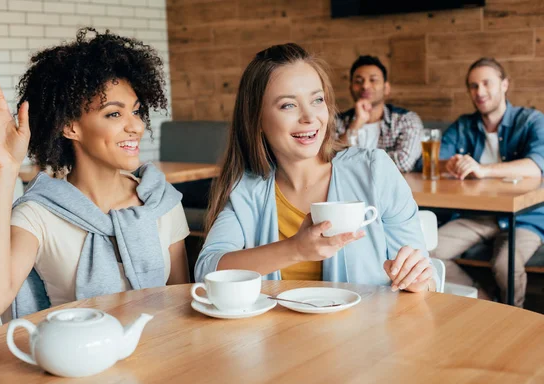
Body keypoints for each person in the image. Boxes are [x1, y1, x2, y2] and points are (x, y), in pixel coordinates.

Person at [0, 28, 190, 319]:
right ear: (69, 127)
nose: (136, 126)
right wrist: (4, 169)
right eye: (114, 114)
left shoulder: (160, 202)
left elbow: (181, 302)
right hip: (77, 361)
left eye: (136, 112)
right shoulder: (39, 215)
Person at [195, 43, 436, 293]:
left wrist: (418, 279)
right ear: (256, 120)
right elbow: (206, 271)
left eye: (317, 100)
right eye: (288, 105)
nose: (309, 117)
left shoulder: (374, 171)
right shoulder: (246, 189)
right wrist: (295, 249)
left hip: (368, 328)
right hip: (276, 332)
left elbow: (423, 283)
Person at [431, 57, 544, 307]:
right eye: (473, 86)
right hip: (477, 215)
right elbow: (432, 162)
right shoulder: (464, 125)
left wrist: (483, 170)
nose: (479, 92)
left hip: (526, 216)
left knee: (505, 264)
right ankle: (483, 303)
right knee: (428, 253)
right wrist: (448, 164)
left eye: (486, 83)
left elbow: (536, 167)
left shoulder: (531, 121)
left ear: (504, 85)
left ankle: (514, 323)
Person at [336, 55, 423, 173]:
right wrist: (356, 123)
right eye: (358, 81)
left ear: (386, 88)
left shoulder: (406, 120)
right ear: (351, 88)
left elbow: (403, 163)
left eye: (373, 80)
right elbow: (328, 158)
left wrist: (349, 163)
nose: (365, 86)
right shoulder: (336, 121)